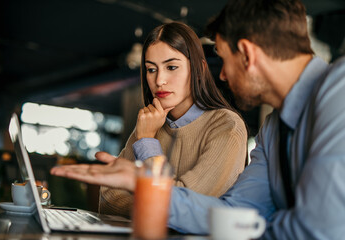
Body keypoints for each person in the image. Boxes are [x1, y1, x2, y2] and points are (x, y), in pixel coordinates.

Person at [51, 0, 345, 238]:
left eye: (225, 59)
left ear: (247, 54)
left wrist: (249, 229)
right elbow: (237, 212)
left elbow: (319, 230)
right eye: (152, 69)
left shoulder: (340, 93)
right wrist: (146, 186)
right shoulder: (274, 128)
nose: (223, 75)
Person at [83, 22, 248, 218]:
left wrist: (147, 143)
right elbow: (109, 198)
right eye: (151, 69)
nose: (159, 80)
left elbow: (185, 209)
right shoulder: (149, 124)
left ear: (199, 69)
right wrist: (155, 207)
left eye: (171, 67)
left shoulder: (226, 126)